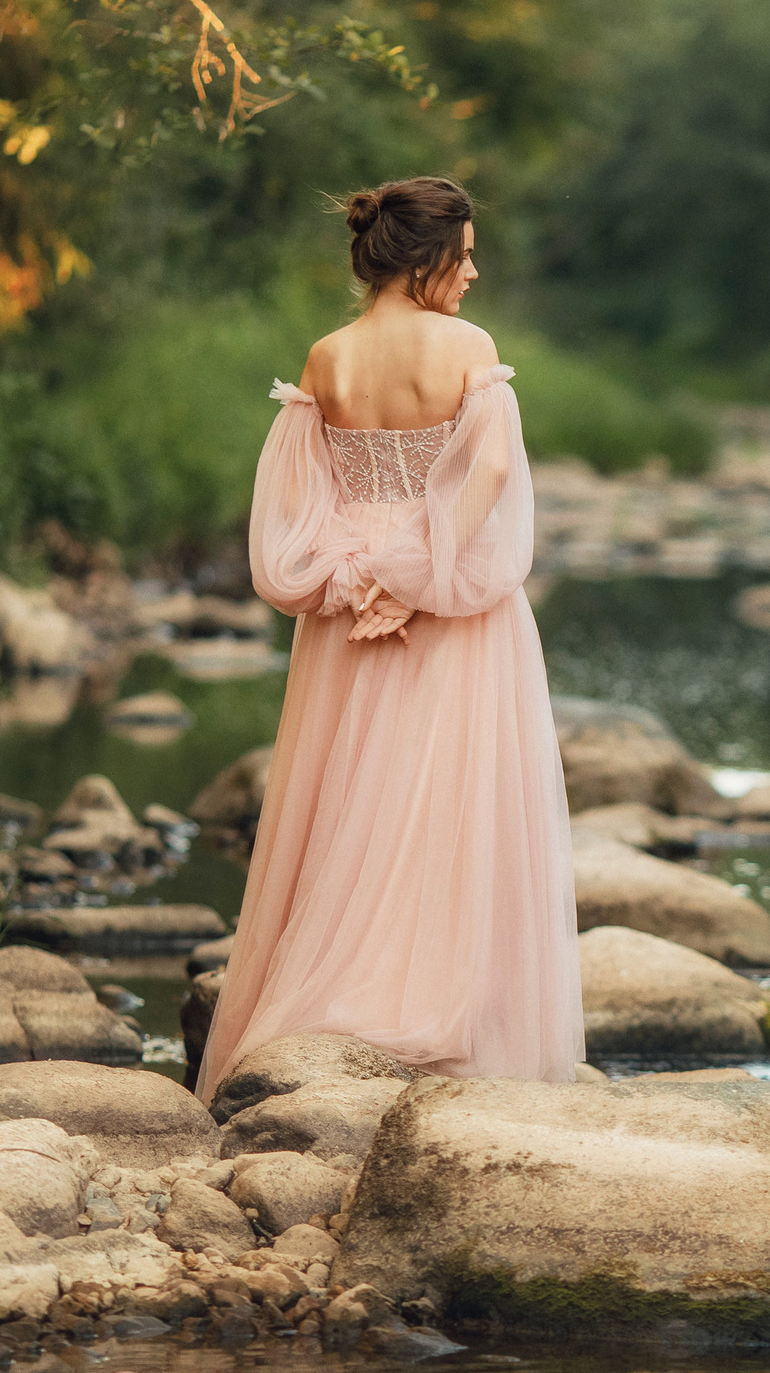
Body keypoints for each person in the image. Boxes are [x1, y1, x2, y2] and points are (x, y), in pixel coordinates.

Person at [193, 176, 582, 1099]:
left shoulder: (327, 357)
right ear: (427, 256)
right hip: (448, 602)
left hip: (346, 600)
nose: (476, 271)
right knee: (449, 801)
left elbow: (298, 504)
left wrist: (363, 570)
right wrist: (423, 568)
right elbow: (487, 470)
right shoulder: (467, 347)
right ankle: (431, 1014)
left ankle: (324, 1003)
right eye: (468, 252)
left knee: (345, 797)